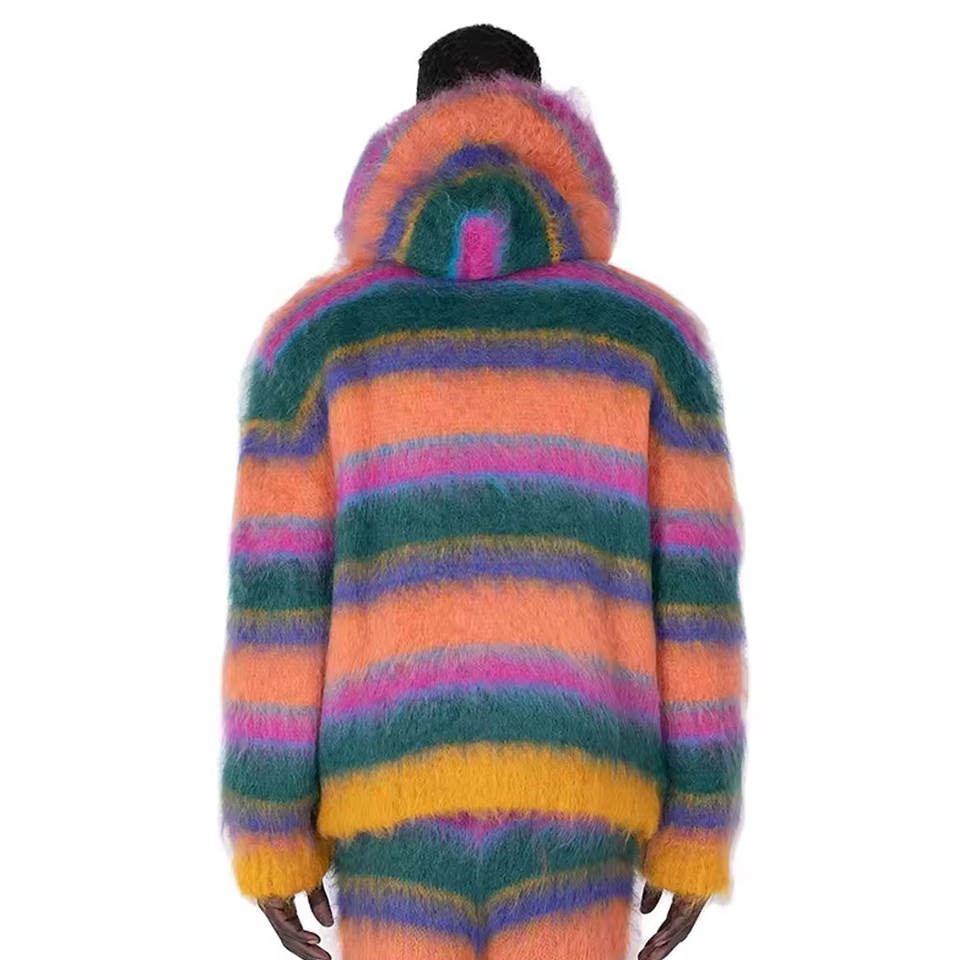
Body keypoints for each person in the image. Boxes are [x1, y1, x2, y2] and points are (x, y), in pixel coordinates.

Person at [222, 24, 745, 960]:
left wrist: (269, 830)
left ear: (410, 129)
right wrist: (698, 826)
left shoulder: (316, 343)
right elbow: (696, 605)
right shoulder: (648, 341)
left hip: (389, 801)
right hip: (582, 795)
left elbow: (278, 607)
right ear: (549, 126)